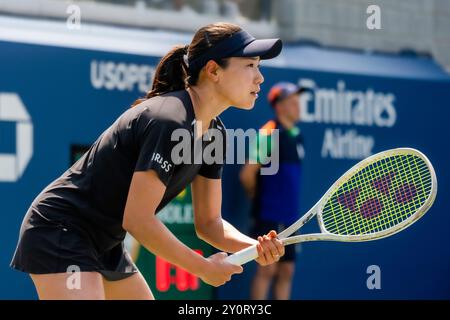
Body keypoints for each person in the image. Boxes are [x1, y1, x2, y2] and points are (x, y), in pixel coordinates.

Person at [10, 22, 285, 300]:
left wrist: (255, 247)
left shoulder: (215, 134)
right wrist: (202, 267)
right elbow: (138, 220)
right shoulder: (169, 120)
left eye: (258, 66)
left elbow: (209, 223)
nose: (259, 78)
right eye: (250, 66)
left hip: (105, 242)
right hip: (62, 229)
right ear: (213, 70)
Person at [240, 82, 306, 300]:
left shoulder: (297, 135)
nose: (298, 106)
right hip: (268, 216)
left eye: (298, 100)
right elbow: (247, 174)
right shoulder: (268, 134)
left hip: (291, 218)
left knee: (287, 270)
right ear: (279, 106)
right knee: (267, 269)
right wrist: (257, 196)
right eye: (292, 101)